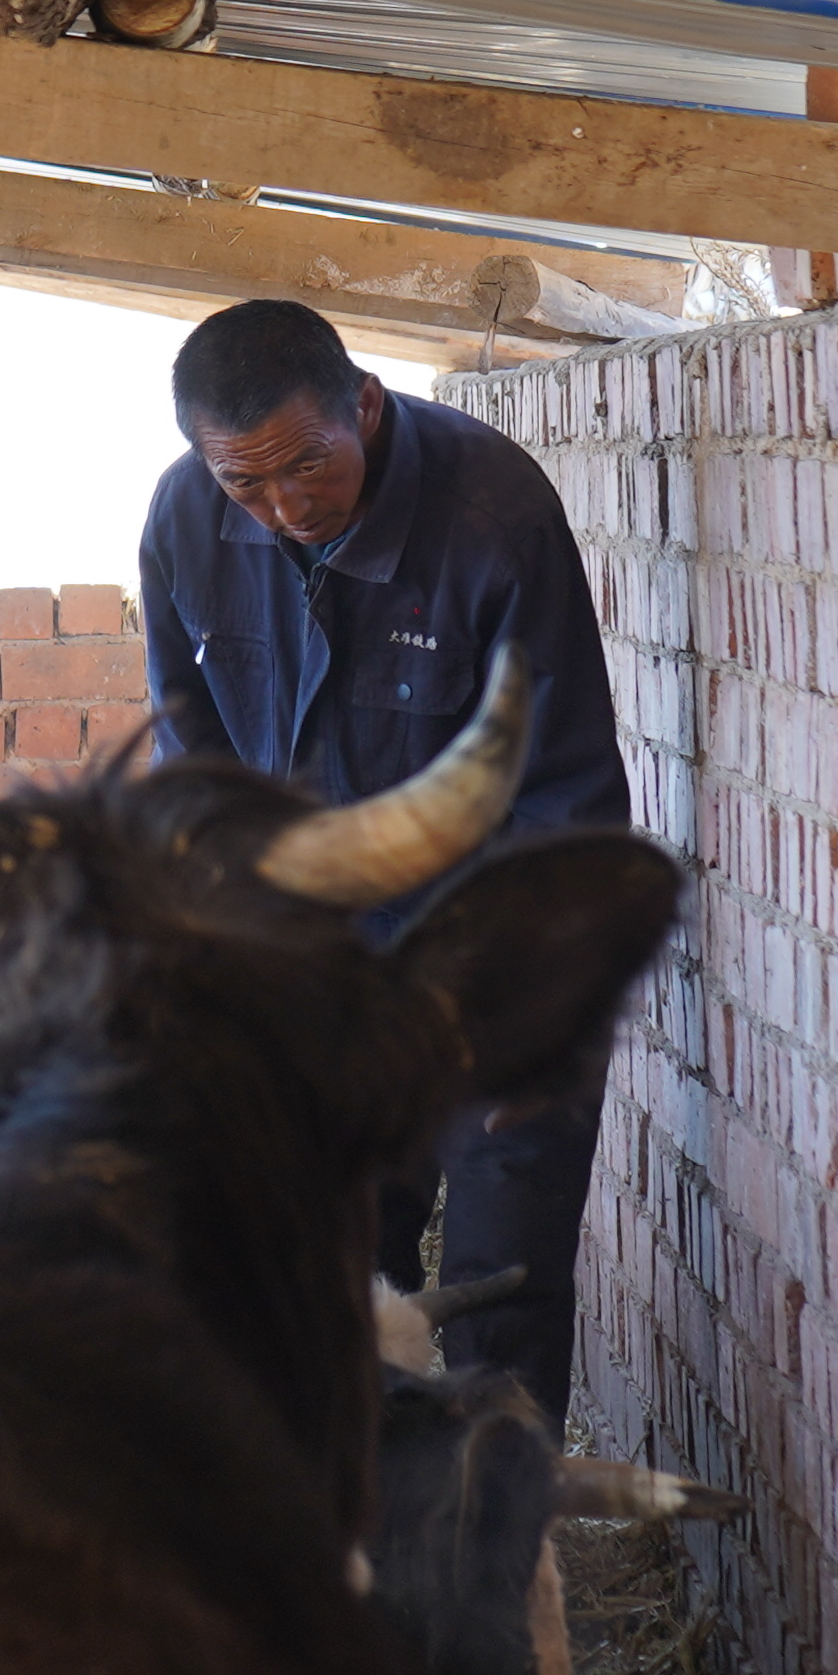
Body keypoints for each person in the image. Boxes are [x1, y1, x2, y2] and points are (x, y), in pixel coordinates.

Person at [133, 296, 635, 1419]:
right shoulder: (184, 519)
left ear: (362, 404)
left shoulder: (493, 513)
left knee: (501, 1283)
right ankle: (370, 1515)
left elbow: (564, 797)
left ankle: (509, 1522)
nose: (285, 506)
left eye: (307, 464)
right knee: (333, 1275)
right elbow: (192, 768)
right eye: (245, 483)